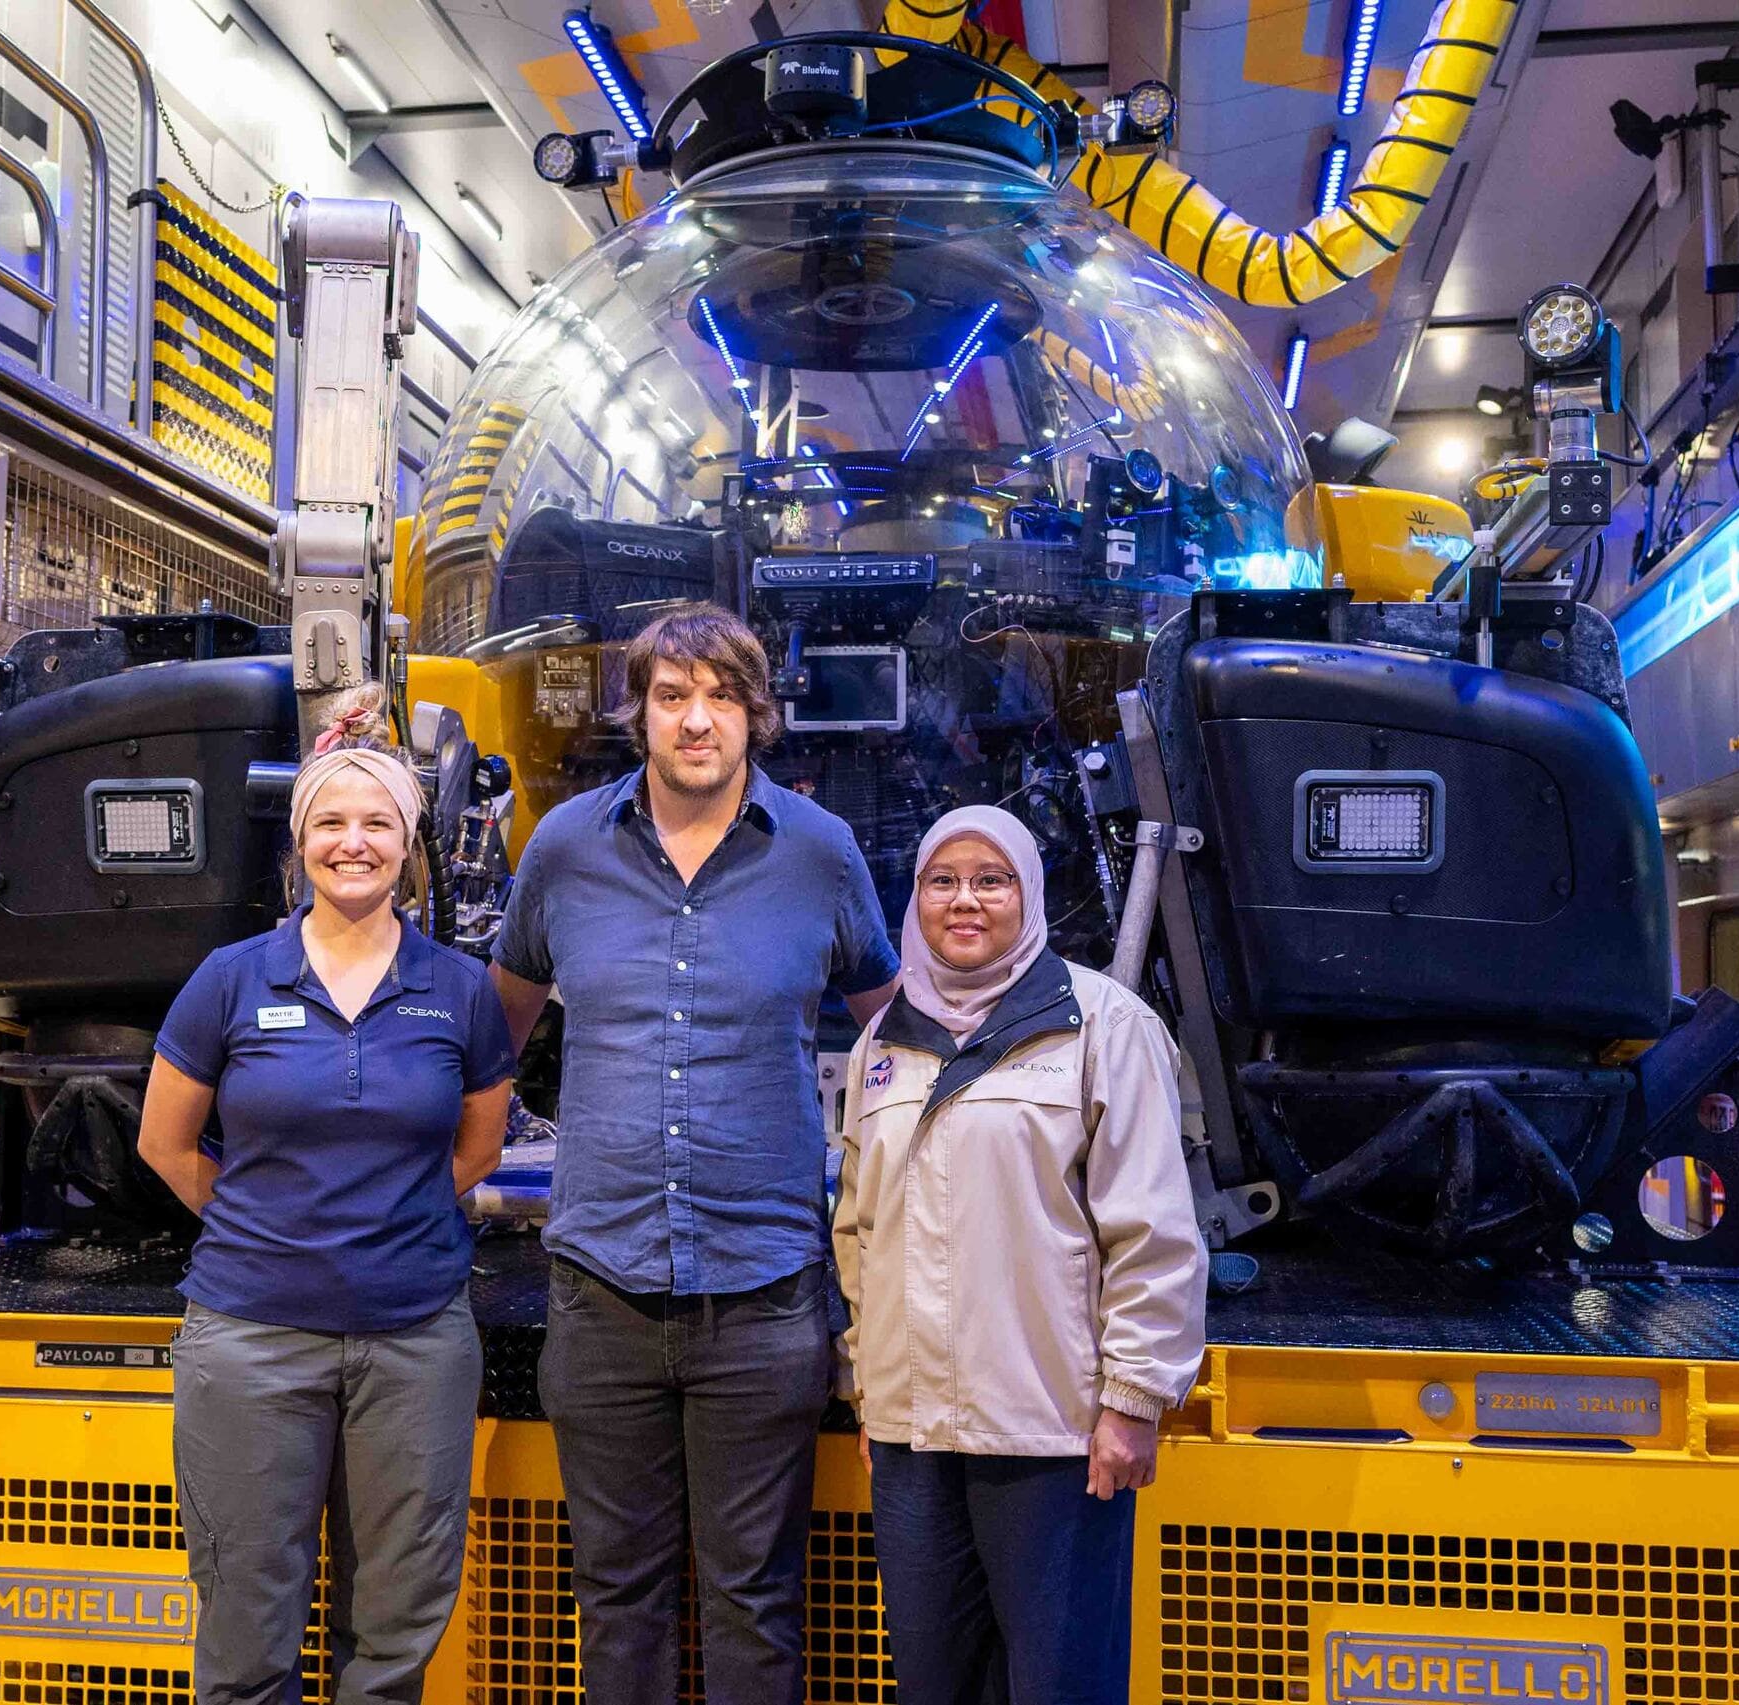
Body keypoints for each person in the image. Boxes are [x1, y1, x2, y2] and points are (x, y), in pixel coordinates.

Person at [489, 602, 899, 1703]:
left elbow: (892, 1032)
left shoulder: (819, 855)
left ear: (756, 717)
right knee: (616, 1593)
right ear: (639, 714)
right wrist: (449, 1177)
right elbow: (498, 1026)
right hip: (600, 1289)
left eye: (722, 695)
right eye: (673, 696)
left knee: (753, 1596)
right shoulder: (567, 847)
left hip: (764, 1296)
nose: (697, 719)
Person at [137, 695, 515, 1705]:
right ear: (301, 843)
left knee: (395, 1621)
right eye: (332, 824)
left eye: (378, 823)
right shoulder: (230, 979)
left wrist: (388, 1219)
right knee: (247, 1612)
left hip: (413, 1340)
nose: (355, 843)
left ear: (410, 843)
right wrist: (268, 1224)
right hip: (250, 1339)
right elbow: (165, 1142)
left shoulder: (460, 988)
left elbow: (479, 1141)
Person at [833, 803, 1206, 1705]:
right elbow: (859, 1232)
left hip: (1053, 1433)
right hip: (914, 1438)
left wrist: (1133, 1402)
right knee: (934, 1684)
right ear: (915, 899)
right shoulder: (882, 1043)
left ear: (1028, 893)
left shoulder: (1102, 1025)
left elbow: (1153, 1231)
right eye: (942, 881)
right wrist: (874, 1391)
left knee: (1058, 1685)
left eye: (990, 880)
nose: (965, 901)